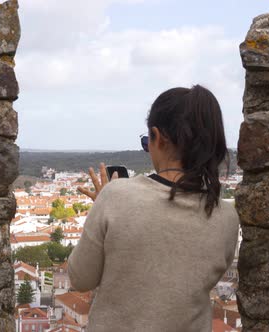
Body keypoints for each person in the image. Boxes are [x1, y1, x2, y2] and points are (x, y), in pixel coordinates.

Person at [68, 85, 240, 331]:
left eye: (146, 142)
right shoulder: (226, 216)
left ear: (157, 137)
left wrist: (102, 208)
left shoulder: (116, 197)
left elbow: (80, 278)